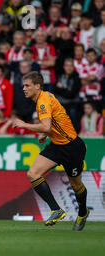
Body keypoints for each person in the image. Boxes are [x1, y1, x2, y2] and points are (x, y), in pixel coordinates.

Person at [12, 71, 89, 231]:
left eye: (27, 85)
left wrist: (25, 125)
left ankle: (82, 213)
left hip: (71, 148)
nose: (24, 89)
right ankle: (56, 209)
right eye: (23, 85)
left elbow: (47, 125)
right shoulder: (45, 97)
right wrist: (44, 134)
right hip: (56, 145)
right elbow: (53, 122)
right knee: (33, 174)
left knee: (76, 186)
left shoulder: (42, 102)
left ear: (38, 86)